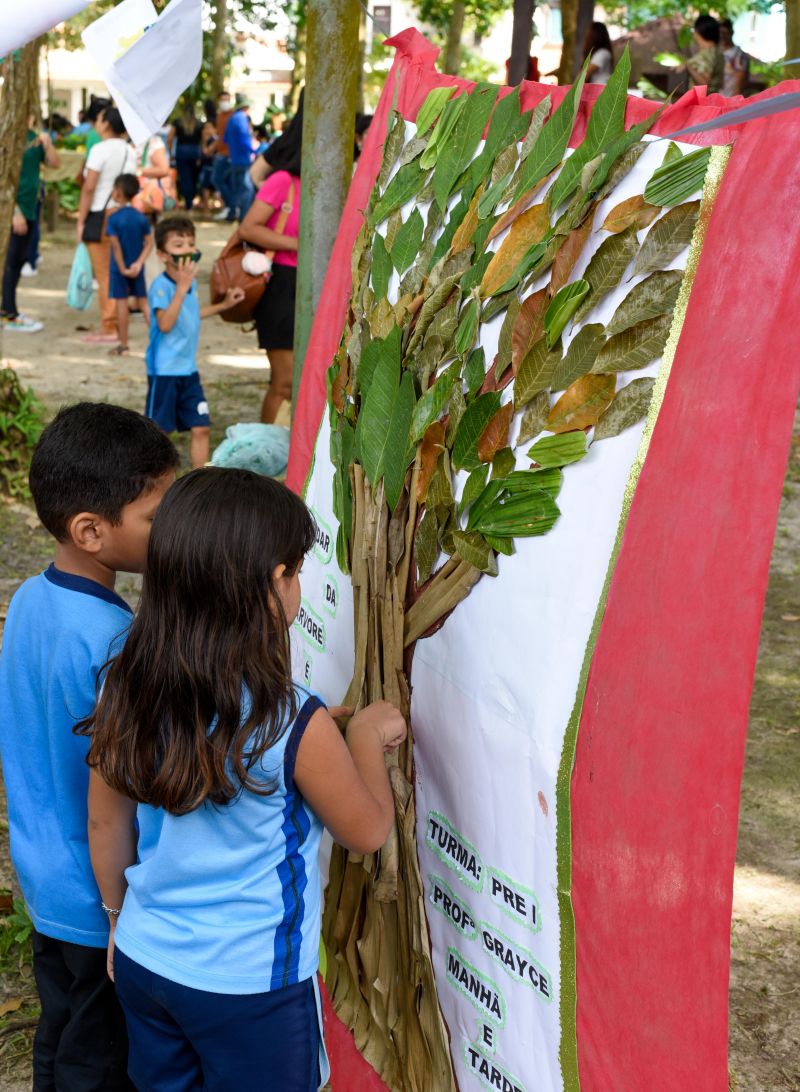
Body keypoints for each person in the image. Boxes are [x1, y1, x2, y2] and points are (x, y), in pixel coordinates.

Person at [81, 467, 406, 1092]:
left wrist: (118, 921)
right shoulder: (293, 720)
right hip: (250, 988)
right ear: (266, 587)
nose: (301, 584)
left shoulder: (123, 682)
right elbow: (366, 831)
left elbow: (106, 819)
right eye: (295, 570)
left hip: (147, 961)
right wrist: (362, 738)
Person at [0, 402, 178, 1091]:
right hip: (101, 898)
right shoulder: (115, 644)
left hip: (44, 878)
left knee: (62, 1032)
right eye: (155, 520)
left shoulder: (30, 600)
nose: (169, 533)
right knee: (99, 1062)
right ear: (91, 531)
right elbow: (130, 787)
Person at [145, 214, 245, 468]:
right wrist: (180, 288)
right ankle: (158, 486)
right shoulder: (162, 286)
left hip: (188, 369)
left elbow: (190, 313)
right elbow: (166, 323)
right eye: (178, 245)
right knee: (159, 432)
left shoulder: (188, 285)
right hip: (164, 371)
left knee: (201, 427)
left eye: (191, 243)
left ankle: (197, 483)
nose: (187, 250)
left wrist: (223, 305)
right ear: (163, 255)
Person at [239, 164, 300, 423]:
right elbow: (248, 228)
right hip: (282, 284)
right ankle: (271, 453)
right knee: (285, 383)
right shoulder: (284, 179)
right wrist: (303, 244)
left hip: (321, 285)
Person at [77, 106, 137, 344]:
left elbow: (89, 187)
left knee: (104, 274)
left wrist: (81, 220)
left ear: (106, 124)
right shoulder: (129, 151)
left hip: (101, 215)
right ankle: (118, 324)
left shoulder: (99, 150)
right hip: (124, 213)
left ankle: (110, 326)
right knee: (118, 270)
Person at [1, 117, 59, 332]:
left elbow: (55, 163)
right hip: (12, 210)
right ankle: (8, 313)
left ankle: (9, 310)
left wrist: (48, 144)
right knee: (10, 260)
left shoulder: (35, 139)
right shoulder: (6, 137)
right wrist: (14, 211)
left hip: (29, 207)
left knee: (20, 258)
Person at [105, 174, 153, 356]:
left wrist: (123, 268)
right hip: (137, 267)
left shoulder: (113, 219)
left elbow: (116, 247)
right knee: (143, 303)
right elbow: (149, 242)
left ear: (117, 192)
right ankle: (159, 340)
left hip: (119, 269)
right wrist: (139, 263)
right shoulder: (140, 217)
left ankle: (123, 345)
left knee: (121, 305)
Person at [224, 96, 255, 221]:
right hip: (243, 159)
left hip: (234, 159)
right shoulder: (242, 118)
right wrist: (255, 150)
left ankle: (232, 213)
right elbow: (244, 139)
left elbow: (225, 139)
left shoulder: (232, 119)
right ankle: (243, 216)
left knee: (236, 188)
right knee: (248, 188)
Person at [169, 104, 202, 211]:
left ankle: (188, 202)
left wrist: (171, 153)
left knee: (185, 178)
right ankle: (191, 199)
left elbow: (170, 138)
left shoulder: (177, 122)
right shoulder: (199, 124)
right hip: (194, 151)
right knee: (193, 178)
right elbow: (202, 140)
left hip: (181, 151)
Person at [686, 15, 724, 95]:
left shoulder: (707, 53)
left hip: (702, 102)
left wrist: (689, 67)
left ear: (698, 31)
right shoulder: (717, 52)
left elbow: (704, 83)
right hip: (712, 99)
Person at [213, 90, 235, 221]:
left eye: (227, 99)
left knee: (220, 180)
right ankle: (230, 207)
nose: (225, 102)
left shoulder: (234, 116)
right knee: (219, 180)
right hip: (221, 152)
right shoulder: (219, 116)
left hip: (230, 155)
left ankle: (231, 208)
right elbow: (219, 135)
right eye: (223, 100)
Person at [720, 17, 749, 97]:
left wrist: (734, 99)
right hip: (718, 98)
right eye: (720, 33)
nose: (722, 36)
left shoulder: (738, 54)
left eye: (725, 32)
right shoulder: (718, 52)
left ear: (731, 32)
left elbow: (741, 81)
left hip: (730, 98)